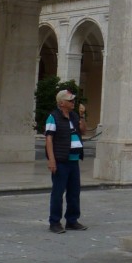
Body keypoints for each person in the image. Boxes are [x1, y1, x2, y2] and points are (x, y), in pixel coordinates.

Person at [45, 89, 87, 233]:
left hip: (74, 160)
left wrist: (82, 116)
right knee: (58, 192)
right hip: (61, 160)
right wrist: (52, 160)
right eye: (70, 100)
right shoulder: (53, 117)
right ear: (61, 103)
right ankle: (54, 222)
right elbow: (49, 138)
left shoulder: (74, 116)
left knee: (74, 192)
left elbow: (83, 131)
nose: (73, 102)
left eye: (73, 100)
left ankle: (72, 220)